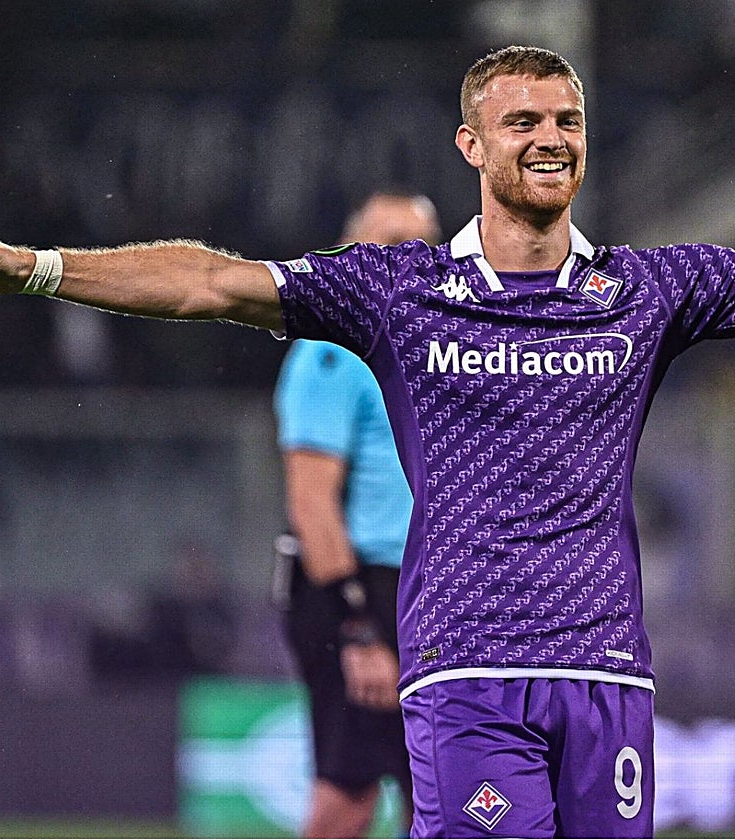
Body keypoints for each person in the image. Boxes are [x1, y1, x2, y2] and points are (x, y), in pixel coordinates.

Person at [0, 45, 735, 839]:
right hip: (466, 670)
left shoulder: (647, 291)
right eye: (522, 123)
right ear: (472, 146)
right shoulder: (396, 292)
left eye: (566, 121)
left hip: (608, 675)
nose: (550, 139)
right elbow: (210, 281)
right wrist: (39, 269)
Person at [273, 189, 440, 838]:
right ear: (352, 253)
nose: (405, 259)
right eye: (388, 244)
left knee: (435, 788)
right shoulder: (332, 353)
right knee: (351, 791)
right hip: (359, 586)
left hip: (420, 586)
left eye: (420, 246)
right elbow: (311, 503)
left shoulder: (428, 348)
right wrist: (359, 628)